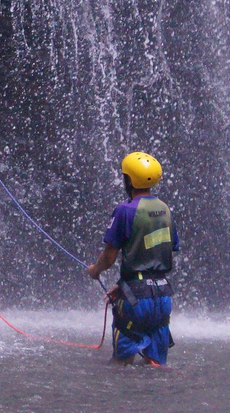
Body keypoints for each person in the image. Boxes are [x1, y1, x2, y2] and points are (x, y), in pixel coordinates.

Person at [87, 152, 180, 366]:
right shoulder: (165, 209)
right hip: (163, 295)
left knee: (121, 365)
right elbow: (157, 253)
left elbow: (109, 256)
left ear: (129, 180)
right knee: (156, 365)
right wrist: (124, 286)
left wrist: (95, 271)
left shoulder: (125, 210)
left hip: (135, 300)